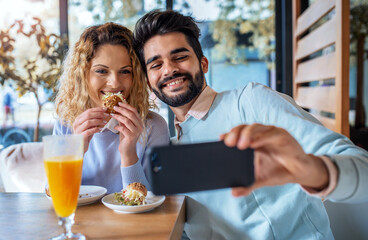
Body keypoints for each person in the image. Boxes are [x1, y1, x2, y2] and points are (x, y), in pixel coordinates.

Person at [133, 10, 368, 239]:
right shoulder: (170, 151)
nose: (169, 69)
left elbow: (361, 166)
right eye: (155, 65)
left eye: (180, 56)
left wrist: (314, 171)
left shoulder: (250, 101)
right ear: (148, 82)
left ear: (204, 63)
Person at [53, 22, 169, 194]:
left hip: (137, 221)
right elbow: (57, 195)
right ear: (82, 75)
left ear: (136, 76)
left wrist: (128, 153)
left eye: (125, 71)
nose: (114, 83)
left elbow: (155, 203)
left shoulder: (153, 126)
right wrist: (75, 152)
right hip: (81, 221)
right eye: (101, 71)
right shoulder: (66, 124)